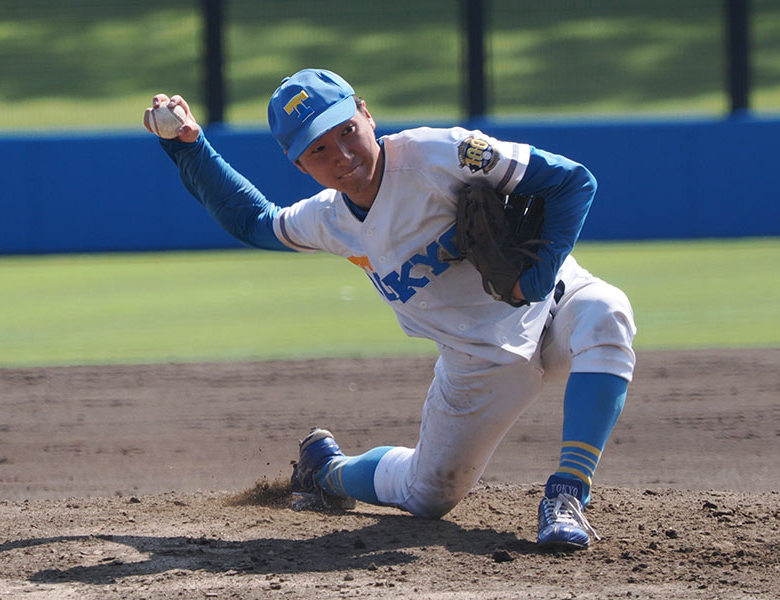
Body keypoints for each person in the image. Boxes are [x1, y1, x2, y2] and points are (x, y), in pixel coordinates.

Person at [144, 68, 636, 551]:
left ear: (367, 114)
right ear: (300, 166)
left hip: (556, 305)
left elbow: (573, 182)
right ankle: (326, 471)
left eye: (346, 131)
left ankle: (567, 495)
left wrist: (536, 278)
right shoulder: (328, 220)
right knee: (427, 495)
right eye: (319, 149)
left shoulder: (442, 153)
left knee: (606, 311)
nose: (342, 155)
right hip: (476, 362)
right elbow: (254, 220)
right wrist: (190, 148)